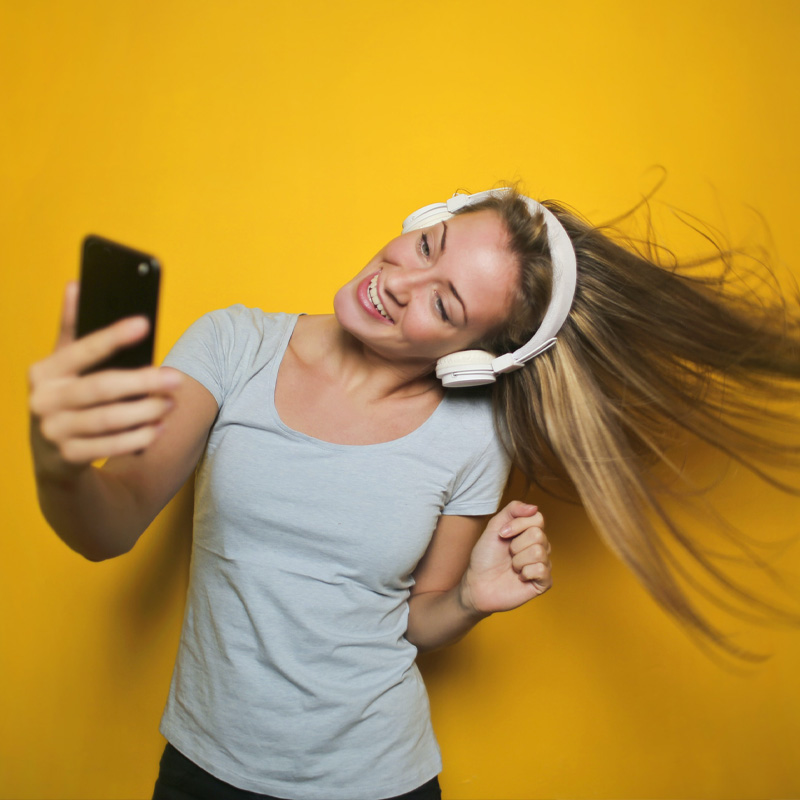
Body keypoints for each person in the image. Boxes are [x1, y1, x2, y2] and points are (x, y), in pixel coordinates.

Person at [28, 187, 800, 800]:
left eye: (445, 304)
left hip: (379, 780)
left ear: (474, 361)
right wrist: (60, 465)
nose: (398, 281)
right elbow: (110, 527)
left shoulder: (472, 433)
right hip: (205, 772)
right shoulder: (232, 343)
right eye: (428, 244)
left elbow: (418, 621)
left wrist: (468, 597)